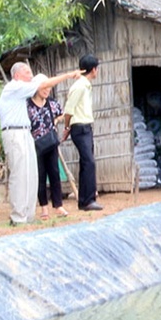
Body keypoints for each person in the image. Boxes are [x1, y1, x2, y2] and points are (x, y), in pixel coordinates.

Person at [0, 62, 81, 225]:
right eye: (27, 73)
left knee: (31, 175)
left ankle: (28, 215)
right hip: (14, 132)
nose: (30, 76)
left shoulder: (23, 93)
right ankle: (18, 216)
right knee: (19, 175)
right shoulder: (14, 87)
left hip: (25, 132)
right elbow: (44, 84)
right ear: (17, 75)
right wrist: (69, 75)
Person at [62, 54, 102, 211]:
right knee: (89, 162)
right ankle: (87, 200)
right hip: (79, 127)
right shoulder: (79, 86)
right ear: (93, 70)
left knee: (87, 163)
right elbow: (69, 110)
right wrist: (67, 128)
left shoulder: (85, 85)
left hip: (86, 127)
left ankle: (86, 200)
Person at [27, 74, 70, 220]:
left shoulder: (51, 103)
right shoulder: (28, 104)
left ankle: (58, 205)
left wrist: (55, 121)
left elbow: (61, 114)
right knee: (40, 175)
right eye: (44, 87)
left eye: (49, 87)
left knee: (54, 173)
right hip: (35, 145)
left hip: (51, 143)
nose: (47, 90)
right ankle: (44, 207)